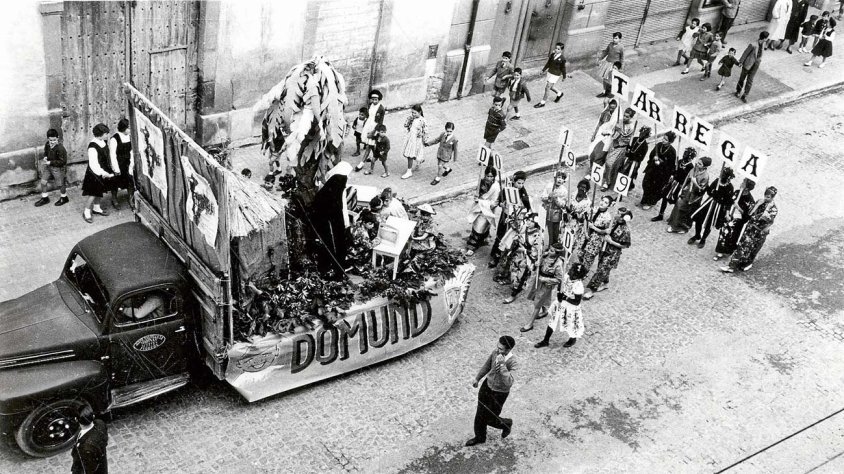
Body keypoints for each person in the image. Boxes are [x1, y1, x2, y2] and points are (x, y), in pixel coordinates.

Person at [466, 336, 518, 447]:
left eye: (501, 349)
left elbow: (509, 382)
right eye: (497, 347)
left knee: (490, 418)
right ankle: (480, 437)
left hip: (499, 393)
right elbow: (487, 365)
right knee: (480, 414)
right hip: (487, 387)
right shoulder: (495, 352)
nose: (497, 350)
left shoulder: (513, 363)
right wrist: (477, 378)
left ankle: (506, 424)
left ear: (508, 350)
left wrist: (503, 365)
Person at [721, 186, 778, 273]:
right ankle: (731, 266)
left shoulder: (773, 209)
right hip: (751, 228)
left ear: (773, 197)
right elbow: (750, 213)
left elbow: (764, 219)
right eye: (765, 196)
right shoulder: (760, 201)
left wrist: (764, 212)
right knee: (742, 246)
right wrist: (758, 205)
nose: (766, 198)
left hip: (760, 231)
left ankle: (746, 264)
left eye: (768, 197)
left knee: (753, 249)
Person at [534, 263, 588, 348]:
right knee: (552, 321)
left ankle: (572, 339)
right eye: (571, 269)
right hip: (560, 303)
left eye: (572, 270)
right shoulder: (566, 275)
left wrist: (565, 297)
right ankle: (545, 340)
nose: (570, 270)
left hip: (571, 307)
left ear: (577, 275)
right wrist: (559, 293)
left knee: (571, 324)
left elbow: (577, 301)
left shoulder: (578, 285)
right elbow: (561, 284)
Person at [584, 207, 632, 299]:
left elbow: (625, 245)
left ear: (622, 218)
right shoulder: (613, 222)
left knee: (601, 270)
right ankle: (605, 283)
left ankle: (591, 290)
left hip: (612, 254)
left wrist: (611, 241)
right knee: (603, 268)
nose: (616, 213)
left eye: (618, 213)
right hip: (604, 249)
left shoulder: (626, 230)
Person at [520, 242, 565, 331]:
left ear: (557, 254)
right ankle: (544, 311)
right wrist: (537, 264)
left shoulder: (558, 264)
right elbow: (537, 265)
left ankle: (530, 323)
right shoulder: (544, 256)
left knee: (538, 303)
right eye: (549, 249)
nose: (549, 252)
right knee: (536, 297)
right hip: (537, 280)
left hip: (546, 284)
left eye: (552, 251)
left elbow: (559, 279)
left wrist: (545, 279)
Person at [489, 170, 531, 266]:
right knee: (500, 235)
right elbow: (500, 200)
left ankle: (505, 258)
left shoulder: (523, 194)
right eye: (518, 183)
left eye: (522, 183)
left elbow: (527, 206)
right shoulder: (506, 189)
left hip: (515, 219)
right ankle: (496, 256)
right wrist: (501, 204)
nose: (520, 185)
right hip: (505, 215)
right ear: (514, 181)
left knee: (509, 238)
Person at [689, 167, 736, 249]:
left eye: (723, 174)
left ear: (727, 177)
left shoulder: (730, 187)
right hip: (709, 202)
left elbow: (728, 202)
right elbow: (709, 191)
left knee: (709, 224)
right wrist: (709, 190)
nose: (721, 175)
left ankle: (703, 239)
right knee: (698, 218)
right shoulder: (717, 181)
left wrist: (727, 213)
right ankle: (697, 235)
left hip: (718, 208)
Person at [667, 155, 711, 234]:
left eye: (700, 164)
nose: (697, 164)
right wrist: (682, 188)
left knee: (687, 211)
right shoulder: (694, 169)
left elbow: (702, 190)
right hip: (686, 191)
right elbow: (687, 179)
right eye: (698, 162)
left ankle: (682, 228)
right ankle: (674, 223)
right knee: (679, 206)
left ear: (705, 166)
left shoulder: (705, 176)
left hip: (694, 197)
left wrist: (696, 183)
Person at [651, 146, 696, 222]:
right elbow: (674, 170)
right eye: (684, 153)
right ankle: (660, 214)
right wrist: (673, 173)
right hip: (673, 182)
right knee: (665, 197)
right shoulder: (680, 161)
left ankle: (672, 217)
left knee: (676, 201)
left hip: (680, 185)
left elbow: (688, 178)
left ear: (689, 157)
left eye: (686, 154)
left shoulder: (691, 167)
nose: (683, 155)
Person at [715, 179, 756, 261]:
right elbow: (728, 202)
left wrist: (739, 208)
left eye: (743, 183)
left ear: (747, 188)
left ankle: (728, 251)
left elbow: (747, 216)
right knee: (723, 234)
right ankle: (720, 251)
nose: (741, 183)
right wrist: (727, 213)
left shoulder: (750, 200)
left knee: (732, 236)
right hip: (729, 216)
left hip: (738, 220)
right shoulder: (737, 192)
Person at [82, 123, 115, 223]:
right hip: (94, 173)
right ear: (99, 134)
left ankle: (96, 208)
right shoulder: (92, 147)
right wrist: (103, 173)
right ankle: (86, 211)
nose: (107, 135)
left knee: (99, 191)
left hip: (102, 170)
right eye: (106, 134)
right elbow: (94, 164)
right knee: (93, 193)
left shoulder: (103, 141)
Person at [466, 166, 501, 256]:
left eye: (491, 176)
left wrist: (482, 202)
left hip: (488, 208)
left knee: (482, 226)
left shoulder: (496, 187)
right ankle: (473, 244)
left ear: (494, 177)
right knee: (477, 225)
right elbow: (478, 194)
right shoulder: (481, 182)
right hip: (479, 207)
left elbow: (495, 202)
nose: (489, 178)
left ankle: (473, 245)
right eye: (488, 176)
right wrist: (476, 197)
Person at [577, 195, 615, 273]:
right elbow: (585, 219)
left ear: (608, 205)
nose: (602, 203)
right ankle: (581, 267)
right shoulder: (593, 209)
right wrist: (585, 231)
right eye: (602, 200)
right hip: (586, 235)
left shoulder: (607, 217)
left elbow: (606, 231)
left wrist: (594, 227)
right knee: (580, 253)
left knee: (588, 259)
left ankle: (584, 273)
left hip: (595, 240)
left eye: (606, 202)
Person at [640, 131, 678, 210]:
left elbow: (670, 166)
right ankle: (644, 199)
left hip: (661, 174)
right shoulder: (658, 145)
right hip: (652, 169)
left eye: (666, 139)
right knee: (646, 183)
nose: (663, 140)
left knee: (655, 188)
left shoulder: (672, 151)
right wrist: (654, 158)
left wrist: (661, 162)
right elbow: (651, 154)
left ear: (670, 142)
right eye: (663, 138)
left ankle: (651, 202)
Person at [608, 125, 650, 193]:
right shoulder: (634, 139)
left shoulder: (645, 146)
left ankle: (627, 186)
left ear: (645, 136)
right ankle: (618, 183)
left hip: (634, 161)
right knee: (620, 168)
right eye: (640, 133)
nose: (640, 135)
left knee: (630, 173)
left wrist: (633, 156)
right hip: (628, 157)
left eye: (643, 134)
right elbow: (628, 147)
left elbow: (641, 158)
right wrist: (628, 149)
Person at [602, 107, 635, 191]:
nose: (624, 117)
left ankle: (607, 182)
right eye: (624, 115)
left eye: (627, 116)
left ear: (631, 117)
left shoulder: (631, 127)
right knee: (608, 161)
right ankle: (608, 177)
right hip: (613, 144)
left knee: (611, 163)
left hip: (620, 147)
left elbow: (627, 139)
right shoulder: (619, 121)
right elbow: (613, 130)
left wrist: (620, 132)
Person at [34, 128, 69, 207]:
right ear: (48, 139)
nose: (52, 142)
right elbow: (45, 152)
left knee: (60, 184)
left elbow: (63, 162)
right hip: (48, 167)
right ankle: (45, 198)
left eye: (54, 140)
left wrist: (51, 162)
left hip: (58, 168)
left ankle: (64, 197)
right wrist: (45, 157)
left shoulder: (60, 148)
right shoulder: (47, 144)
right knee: (43, 182)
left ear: (57, 138)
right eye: (50, 140)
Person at [355, 90, 386, 172]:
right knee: (370, 145)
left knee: (369, 146)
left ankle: (362, 163)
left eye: (376, 99)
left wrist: (373, 132)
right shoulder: (370, 105)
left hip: (375, 128)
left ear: (379, 99)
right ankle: (374, 155)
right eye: (373, 99)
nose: (374, 101)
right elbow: (368, 116)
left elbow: (380, 122)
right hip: (368, 125)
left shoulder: (381, 109)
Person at [71, 405, 108, 474]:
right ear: (93, 416)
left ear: (76, 419)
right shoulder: (100, 423)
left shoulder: (87, 447)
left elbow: (89, 469)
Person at [735, 31, 770, 103]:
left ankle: (745, 95)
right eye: (766, 38)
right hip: (748, 64)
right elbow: (745, 53)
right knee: (742, 78)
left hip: (756, 65)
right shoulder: (753, 44)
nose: (767, 39)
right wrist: (741, 62)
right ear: (764, 38)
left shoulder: (763, 43)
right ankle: (738, 91)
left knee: (750, 80)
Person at [109, 118, 134, 209]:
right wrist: (116, 168)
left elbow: (132, 151)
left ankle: (131, 198)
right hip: (118, 163)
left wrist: (132, 164)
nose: (130, 130)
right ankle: (114, 199)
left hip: (128, 163)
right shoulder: (114, 138)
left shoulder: (131, 137)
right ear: (123, 128)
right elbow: (112, 154)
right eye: (128, 128)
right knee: (115, 182)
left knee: (130, 181)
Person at [588, 98, 620, 167]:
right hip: (600, 136)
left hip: (608, 139)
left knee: (599, 157)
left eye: (613, 108)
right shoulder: (605, 113)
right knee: (592, 154)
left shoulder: (617, 119)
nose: (611, 110)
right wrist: (594, 134)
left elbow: (617, 131)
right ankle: (591, 168)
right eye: (610, 107)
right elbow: (599, 123)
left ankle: (594, 173)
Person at [566, 178, 593, 258]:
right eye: (580, 186)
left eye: (584, 188)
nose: (581, 189)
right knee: (564, 239)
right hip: (568, 222)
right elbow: (568, 205)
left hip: (577, 226)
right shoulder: (573, 194)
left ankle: (567, 257)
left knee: (572, 242)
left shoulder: (587, 202)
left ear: (587, 190)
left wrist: (576, 215)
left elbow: (584, 218)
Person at [540, 171, 568, 246]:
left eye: (562, 178)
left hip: (556, 214)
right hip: (546, 211)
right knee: (543, 230)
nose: (559, 180)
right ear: (555, 178)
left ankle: (553, 247)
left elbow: (563, 204)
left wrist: (556, 199)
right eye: (558, 177)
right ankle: (542, 246)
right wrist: (548, 197)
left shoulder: (564, 191)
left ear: (564, 181)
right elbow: (542, 197)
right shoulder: (549, 186)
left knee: (554, 233)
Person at [535, 42, 566, 108]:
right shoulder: (552, 55)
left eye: (558, 49)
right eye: (556, 48)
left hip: (555, 74)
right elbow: (548, 63)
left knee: (547, 87)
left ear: (561, 50)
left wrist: (564, 76)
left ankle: (542, 103)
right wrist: (543, 70)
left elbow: (563, 68)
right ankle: (559, 93)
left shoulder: (562, 59)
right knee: (551, 87)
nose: (556, 50)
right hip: (550, 73)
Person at [400, 104, 427, 180]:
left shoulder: (422, 120)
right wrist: (408, 121)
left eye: (415, 113)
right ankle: (419, 160)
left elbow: (426, 131)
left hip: (416, 140)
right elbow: (406, 125)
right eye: (412, 113)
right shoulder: (412, 118)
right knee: (411, 154)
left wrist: (424, 138)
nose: (413, 114)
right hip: (410, 138)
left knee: (410, 155)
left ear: (420, 112)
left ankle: (409, 171)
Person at [596, 32, 624, 98]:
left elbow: (622, 58)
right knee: (605, 78)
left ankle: (611, 93)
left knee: (611, 80)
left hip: (614, 66)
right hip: (607, 63)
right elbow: (606, 52)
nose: (614, 40)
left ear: (620, 39)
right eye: (613, 38)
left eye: (616, 38)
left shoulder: (621, 47)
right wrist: (600, 58)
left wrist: (621, 68)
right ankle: (604, 92)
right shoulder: (610, 45)